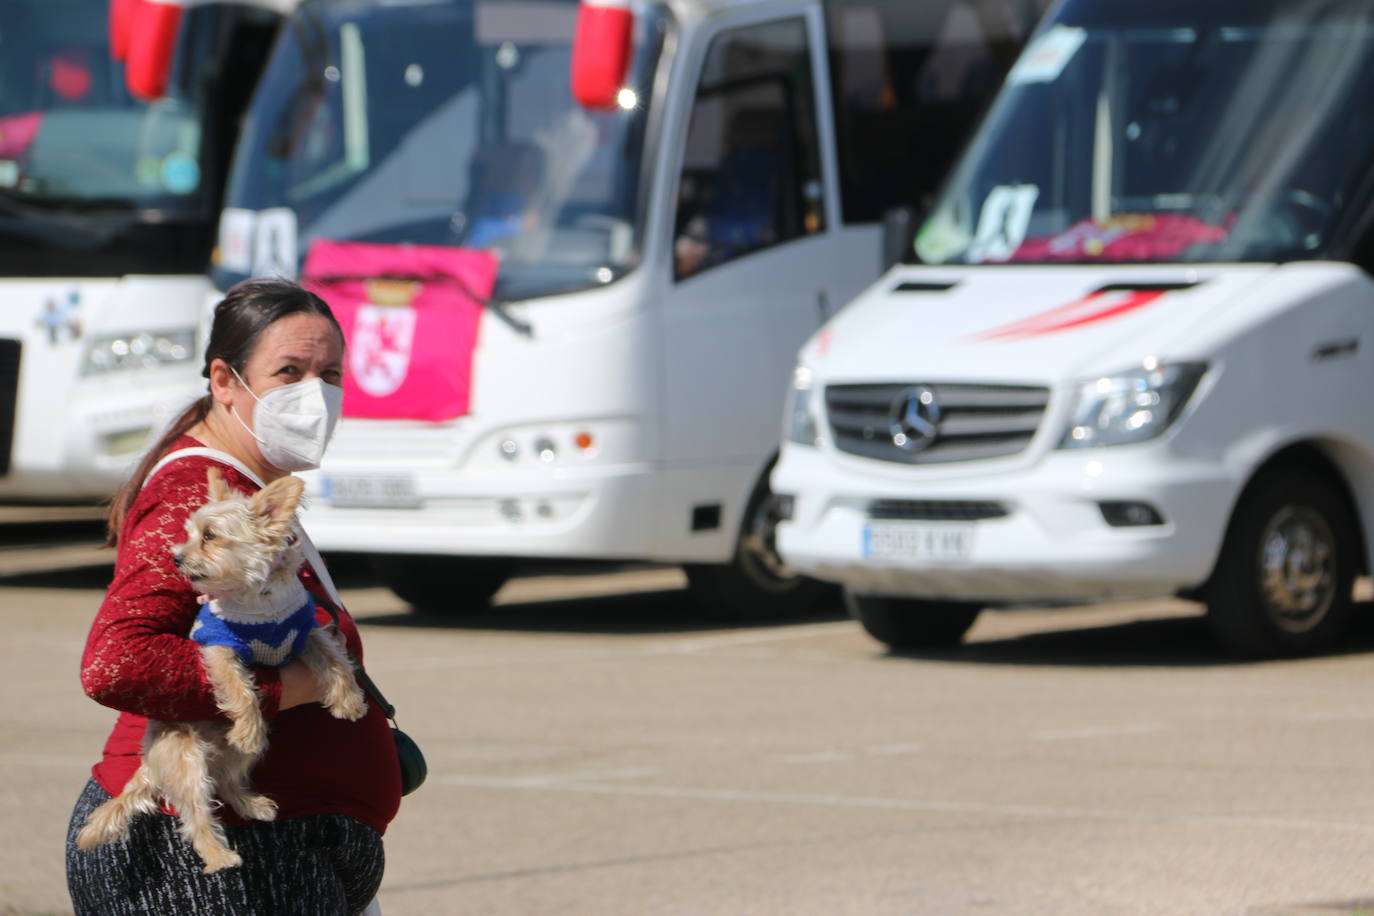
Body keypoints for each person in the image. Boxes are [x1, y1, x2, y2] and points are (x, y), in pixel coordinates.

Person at [65, 279, 401, 915]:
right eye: (289, 373)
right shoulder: (194, 495)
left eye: (330, 373)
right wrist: (282, 690)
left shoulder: (249, 488)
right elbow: (117, 661)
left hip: (281, 852)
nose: (316, 394)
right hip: (200, 859)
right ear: (224, 381)